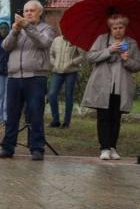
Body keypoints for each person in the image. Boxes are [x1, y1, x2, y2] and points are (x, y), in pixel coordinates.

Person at [0, 0, 55, 161]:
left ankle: (37, 148)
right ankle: (8, 148)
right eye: (26, 11)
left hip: (35, 77)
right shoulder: (18, 30)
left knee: (35, 113)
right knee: (11, 115)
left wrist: (27, 27)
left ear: (39, 12)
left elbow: (44, 42)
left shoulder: (47, 29)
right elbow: (5, 46)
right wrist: (14, 31)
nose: (28, 13)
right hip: (14, 77)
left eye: (31, 11)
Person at [81, 14, 140, 160]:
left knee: (115, 117)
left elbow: (137, 65)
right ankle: (104, 148)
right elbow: (90, 57)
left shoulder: (131, 43)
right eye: (115, 28)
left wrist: (127, 60)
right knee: (103, 117)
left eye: (121, 27)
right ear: (110, 28)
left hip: (121, 86)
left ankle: (113, 147)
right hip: (103, 85)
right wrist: (109, 50)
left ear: (125, 28)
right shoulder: (102, 39)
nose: (118, 30)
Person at [48, 33, 85, 128]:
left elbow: (83, 56)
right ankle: (55, 120)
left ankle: (66, 122)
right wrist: (54, 63)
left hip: (71, 72)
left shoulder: (76, 41)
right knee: (52, 94)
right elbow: (50, 54)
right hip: (57, 71)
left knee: (69, 96)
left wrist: (72, 62)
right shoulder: (56, 40)